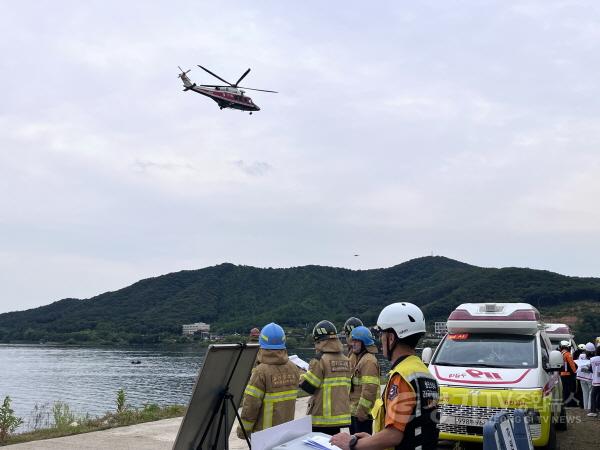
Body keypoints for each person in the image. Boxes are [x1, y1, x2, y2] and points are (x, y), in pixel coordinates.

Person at [331, 302, 440, 450]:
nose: (380, 340)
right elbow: (412, 427)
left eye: (381, 334)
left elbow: (394, 435)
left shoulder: (401, 377)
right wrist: (372, 439)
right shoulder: (424, 373)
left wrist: (353, 444)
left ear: (391, 338)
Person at [236, 322, 300, 440]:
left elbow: (251, 405)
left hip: (264, 435)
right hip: (287, 432)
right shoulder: (293, 368)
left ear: (262, 343)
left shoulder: (260, 372)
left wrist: (243, 431)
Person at [299, 320, 352, 435]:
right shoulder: (346, 359)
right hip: (340, 417)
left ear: (319, 341)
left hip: (322, 418)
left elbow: (309, 387)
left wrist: (301, 374)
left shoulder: (320, 360)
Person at [348, 325, 380, 435]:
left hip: (362, 415)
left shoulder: (368, 361)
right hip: (355, 412)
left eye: (356, 341)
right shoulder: (360, 358)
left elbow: (369, 390)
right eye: (353, 340)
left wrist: (362, 412)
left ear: (364, 342)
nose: (353, 344)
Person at [576, 343, 594, 412]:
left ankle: (585, 408)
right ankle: (589, 408)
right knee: (590, 393)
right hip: (590, 378)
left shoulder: (581, 355)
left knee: (585, 393)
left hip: (581, 377)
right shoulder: (593, 358)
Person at [560, 340, 577, 407]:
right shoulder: (567, 354)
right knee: (569, 390)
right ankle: (568, 403)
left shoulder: (561, 353)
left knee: (564, 390)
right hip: (568, 375)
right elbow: (572, 365)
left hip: (562, 374)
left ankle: (564, 402)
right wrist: (575, 372)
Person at [589, 344, 600, 417]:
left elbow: (591, 370)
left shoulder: (593, 359)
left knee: (593, 395)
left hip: (596, 381)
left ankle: (593, 411)